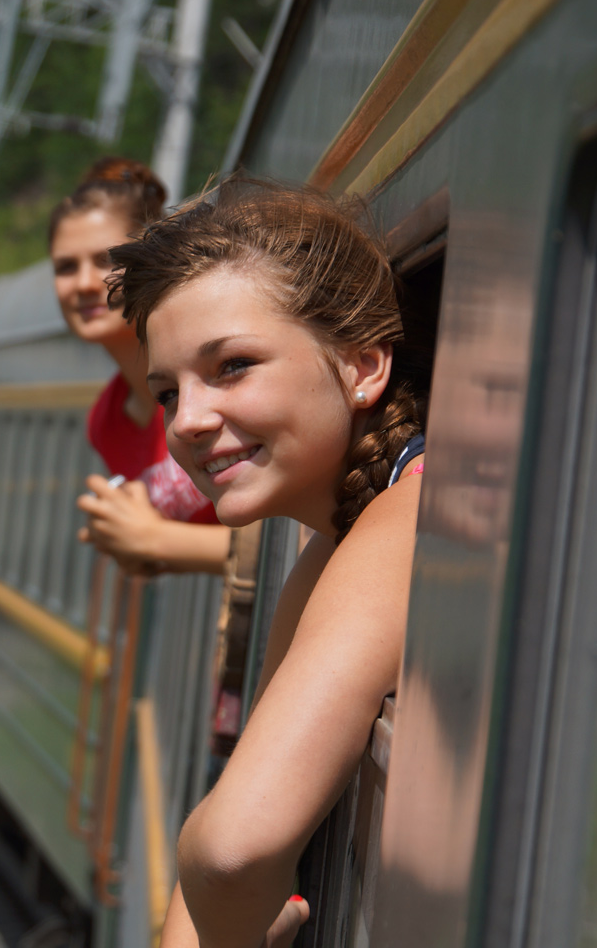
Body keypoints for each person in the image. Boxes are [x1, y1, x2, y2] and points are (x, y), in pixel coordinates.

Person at [107, 177, 428, 947]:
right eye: (167, 392)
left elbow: (228, 850)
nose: (188, 420)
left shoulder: (411, 517)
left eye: (233, 366)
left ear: (361, 366)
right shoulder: (333, 549)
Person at [48, 156, 231, 575]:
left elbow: (288, 535)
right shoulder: (106, 423)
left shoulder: (219, 376)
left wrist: (153, 538)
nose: (83, 284)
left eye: (105, 260)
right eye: (65, 267)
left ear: (148, 258)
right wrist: (133, 548)